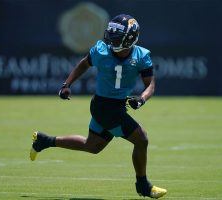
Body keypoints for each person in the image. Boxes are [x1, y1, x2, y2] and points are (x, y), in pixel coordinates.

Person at [30, 14, 167, 199]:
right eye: (111, 35)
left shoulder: (141, 56)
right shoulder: (101, 50)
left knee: (92, 146)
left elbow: (150, 84)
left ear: (130, 39)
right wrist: (67, 84)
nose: (111, 40)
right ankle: (143, 185)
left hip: (115, 107)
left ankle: (45, 141)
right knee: (141, 139)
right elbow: (83, 64)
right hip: (104, 106)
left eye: (117, 37)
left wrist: (141, 99)